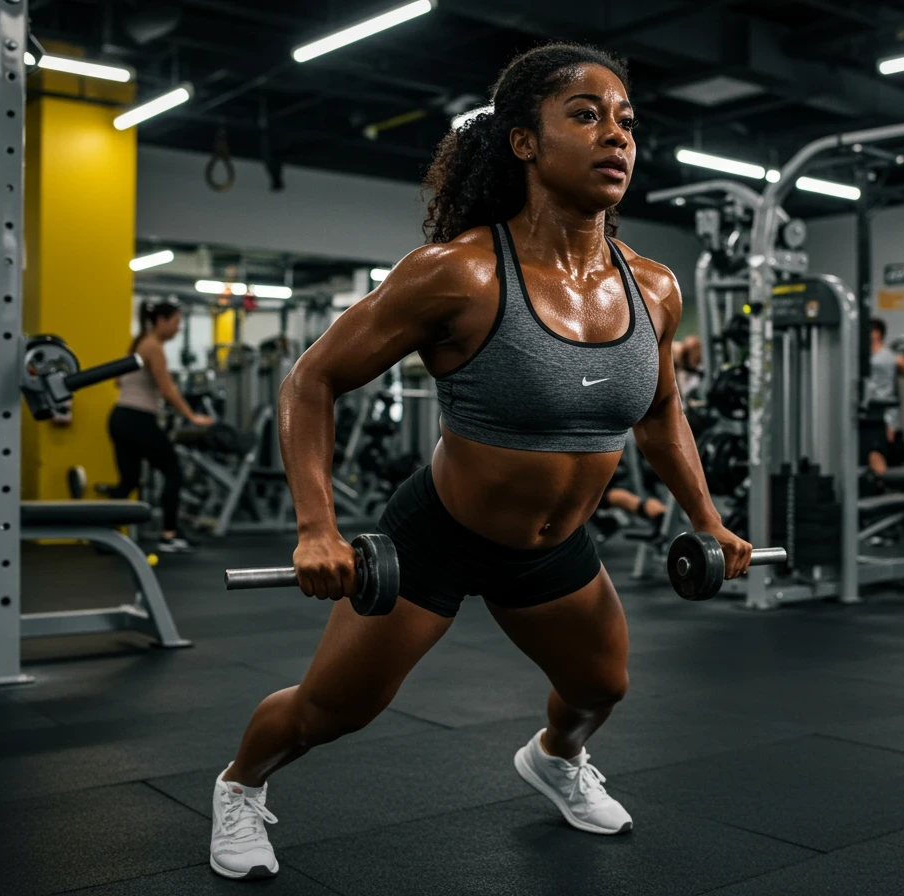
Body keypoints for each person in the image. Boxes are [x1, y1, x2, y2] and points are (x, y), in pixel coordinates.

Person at [208, 44, 752, 881]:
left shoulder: (654, 287)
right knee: (331, 710)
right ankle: (241, 786)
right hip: (437, 537)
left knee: (602, 686)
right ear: (524, 142)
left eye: (627, 122)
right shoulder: (458, 273)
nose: (616, 135)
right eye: (585, 114)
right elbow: (311, 380)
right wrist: (317, 528)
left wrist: (706, 521)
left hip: (555, 549)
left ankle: (554, 758)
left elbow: (661, 410)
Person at [101, 299, 213, 553]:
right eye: (175, 323)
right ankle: (168, 535)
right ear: (161, 321)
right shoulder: (153, 347)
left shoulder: (138, 344)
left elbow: (120, 383)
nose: (177, 328)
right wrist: (192, 416)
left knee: (128, 480)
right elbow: (167, 389)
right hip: (138, 418)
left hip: (120, 417)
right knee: (173, 471)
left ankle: (102, 535)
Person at [862, 318, 904, 485]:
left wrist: (891, 423)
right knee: (870, 454)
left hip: (881, 417)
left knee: (875, 453)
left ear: (877, 335)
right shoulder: (869, 356)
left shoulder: (885, 357)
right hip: (866, 414)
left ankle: (888, 489)